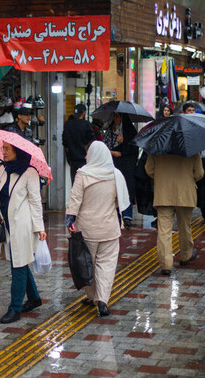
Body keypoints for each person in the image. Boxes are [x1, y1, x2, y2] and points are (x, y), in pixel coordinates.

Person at [65, 142, 129, 316]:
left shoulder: (83, 174)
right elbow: (120, 202)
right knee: (106, 266)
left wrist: (69, 220)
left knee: (88, 264)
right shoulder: (116, 175)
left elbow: (75, 200)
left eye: (88, 154)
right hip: (109, 229)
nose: (86, 157)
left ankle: (92, 296)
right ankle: (102, 300)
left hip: (87, 229)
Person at [0, 142, 47, 324]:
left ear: (18, 151)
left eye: (7, 149)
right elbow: (3, 197)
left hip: (22, 226)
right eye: (3, 148)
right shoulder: (3, 169)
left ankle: (14, 308)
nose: (4, 152)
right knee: (19, 262)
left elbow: (35, 202)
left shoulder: (30, 173)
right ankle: (34, 298)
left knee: (17, 265)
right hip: (7, 225)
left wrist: (40, 228)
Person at [146, 151, 204, 275]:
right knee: (185, 226)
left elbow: (149, 170)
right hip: (185, 192)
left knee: (164, 230)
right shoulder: (192, 148)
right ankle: (186, 255)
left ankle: (166, 264)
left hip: (163, 192)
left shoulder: (157, 148)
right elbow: (199, 173)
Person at [103, 112, 138, 228]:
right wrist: (113, 151)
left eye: (118, 116)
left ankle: (127, 216)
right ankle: (115, 215)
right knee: (114, 189)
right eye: (115, 116)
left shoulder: (131, 132)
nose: (116, 119)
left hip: (127, 166)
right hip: (113, 164)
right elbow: (104, 147)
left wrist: (123, 146)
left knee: (126, 189)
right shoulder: (110, 131)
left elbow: (133, 149)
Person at [62, 103, 96, 185]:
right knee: (85, 183)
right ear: (84, 112)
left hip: (73, 160)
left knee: (75, 183)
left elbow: (65, 143)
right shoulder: (87, 125)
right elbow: (92, 141)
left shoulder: (68, 125)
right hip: (85, 160)